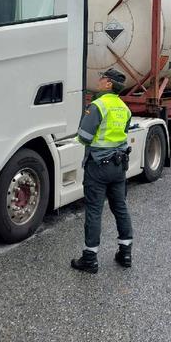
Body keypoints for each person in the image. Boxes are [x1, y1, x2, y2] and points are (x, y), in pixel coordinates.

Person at [71, 68, 133, 274]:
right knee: (120, 207)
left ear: (109, 84)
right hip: (118, 165)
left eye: (102, 78)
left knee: (94, 210)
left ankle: (90, 258)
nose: (99, 81)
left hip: (98, 165)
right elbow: (123, 132)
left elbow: (84, 137)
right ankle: (125, 253)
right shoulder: (124, 107)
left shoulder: (98, 105)